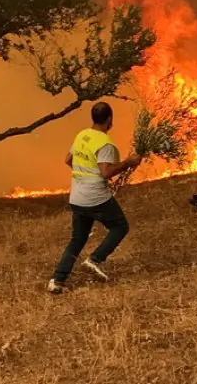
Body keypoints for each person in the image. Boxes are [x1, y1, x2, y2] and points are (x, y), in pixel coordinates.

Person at [47, 102, 141, 294]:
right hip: (95, 196)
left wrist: (83, 174)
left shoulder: (82, 135)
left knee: (77, 240)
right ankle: (95, 260)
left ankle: (57, 281)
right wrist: (128, 162)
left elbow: (68, 160)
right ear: (109, 120)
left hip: (77, 196)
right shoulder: (105, 143)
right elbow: (106, 172)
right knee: (120, 226)